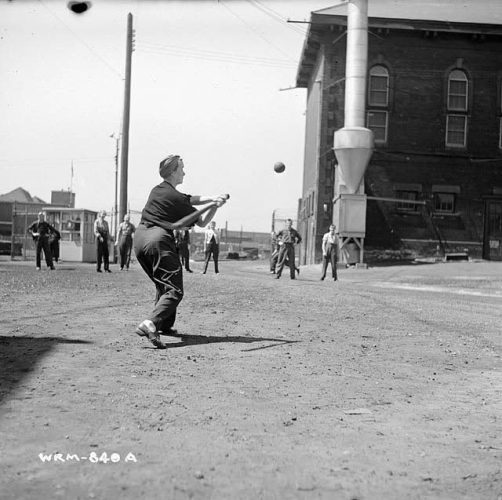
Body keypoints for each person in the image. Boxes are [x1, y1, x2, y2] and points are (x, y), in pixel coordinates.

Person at [134, 154, 228, 348]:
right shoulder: (174, 196)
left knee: (163, 284)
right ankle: (150, 323)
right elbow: (201, 220)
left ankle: (164, 325)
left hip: (140, 239)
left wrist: (212, 200)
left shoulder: (159, 190)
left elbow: (189, 199)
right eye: (182, 168)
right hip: (158, 240)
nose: (184, 171)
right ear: (173, 171)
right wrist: (215, 206)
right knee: (174, 290)